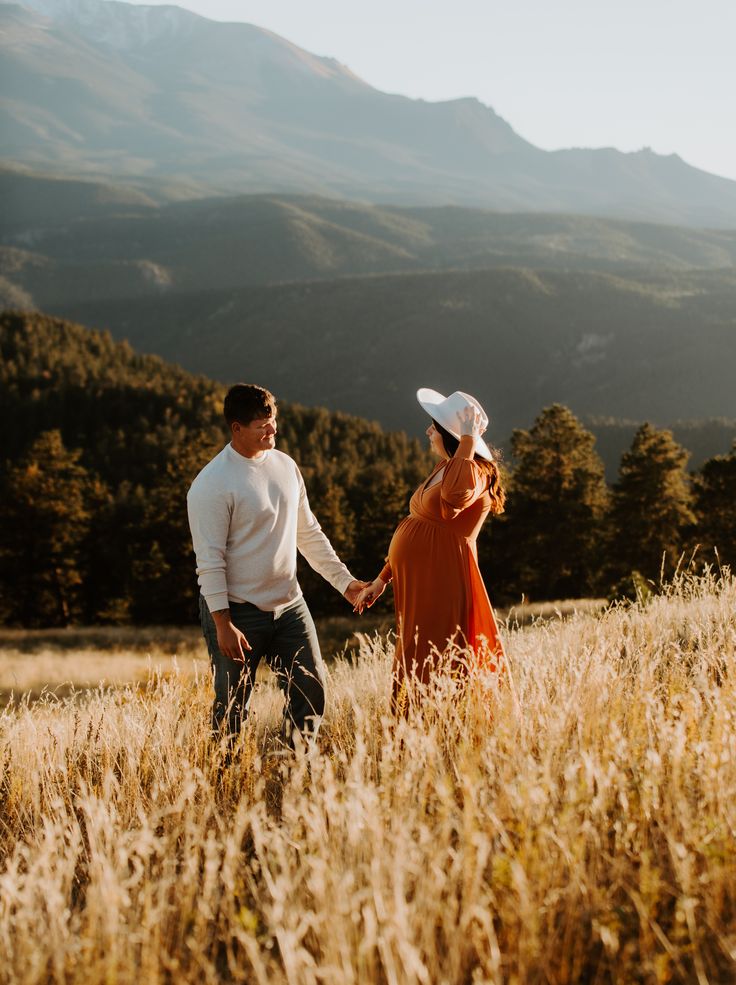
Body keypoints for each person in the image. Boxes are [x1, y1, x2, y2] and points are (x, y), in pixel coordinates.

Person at [187, 383, 367, 749]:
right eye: (261, 425)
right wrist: (223, 624)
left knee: (310, 690)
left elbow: (308, 533)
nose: (272, 430)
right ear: (236, 428)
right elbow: (209, 562)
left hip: (289, 606)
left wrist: (345, 583)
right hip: (236, 612)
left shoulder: (286, 466)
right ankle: (225, 782)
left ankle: (297, 772)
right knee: (233, 707)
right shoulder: (212, 484)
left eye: (273, 421)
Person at [354, 388, 506, 712]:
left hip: (443, 582)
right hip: (420, 583)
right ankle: (412, 739)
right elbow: (418, 522)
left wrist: (467, 440)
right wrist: (382, 578)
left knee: (434, 658)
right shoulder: (446, 464)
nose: (427, 431)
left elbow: (453, 499)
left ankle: (439, 735)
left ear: (451, 434)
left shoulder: (474, 471)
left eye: (434, 426)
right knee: (413, 653)